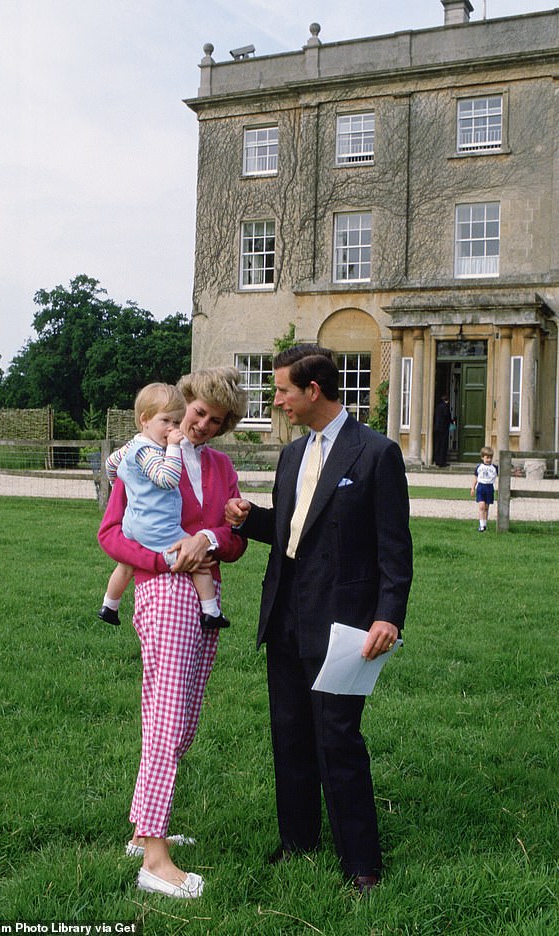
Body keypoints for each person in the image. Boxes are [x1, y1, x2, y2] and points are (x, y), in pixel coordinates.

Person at [225, 345, 413, 894]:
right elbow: (294, 533)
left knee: (337, 738)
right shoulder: (291, 455)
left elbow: (394, 549)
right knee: (289, 733)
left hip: (345, 623)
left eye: (282, 390)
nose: (276, 399)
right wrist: (249, 519)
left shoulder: (376, 454)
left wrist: (389, 616)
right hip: (284, 612)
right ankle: (298, 840)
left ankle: (362, 864)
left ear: (313, 391)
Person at [98, 367, 247, 899]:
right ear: (183, 403)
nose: (203, 423)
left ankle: (143, 831)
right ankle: (156, 859)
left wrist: (210, 534)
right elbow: (111, 533)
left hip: (207, 597)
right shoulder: (143, 454)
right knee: (165, 717)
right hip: (161, 593)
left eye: (217, 418)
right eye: (198, 411)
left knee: (182, 720)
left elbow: (233, 542)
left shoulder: (223, 467)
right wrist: (163, 562)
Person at [98, 383, 229, 631]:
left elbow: (110, 464)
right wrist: (173, 448)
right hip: (157, 527)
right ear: (144, 419)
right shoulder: (150, 452)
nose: (172, 428)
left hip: (134, 523)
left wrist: (125, 486)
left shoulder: (130, 446)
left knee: (124, 567)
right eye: (166, 421)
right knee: (199, 561)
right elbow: (168, 479)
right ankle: (211, 611)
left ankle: (109, 606)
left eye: (176, 422)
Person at [471, 445, 498, 532]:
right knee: (481, 506)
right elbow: (475, 477)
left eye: (490, 458)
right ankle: (481, 526)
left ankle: (484, 524)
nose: (489, 460)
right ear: (482, 457)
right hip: (481, 487)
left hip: (489, 487)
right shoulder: (479, 467)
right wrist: (473, 488)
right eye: (487, 457)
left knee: (486, 507)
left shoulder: (494, 468)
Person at [433, 394, 454, 467]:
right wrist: (452, 421)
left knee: (437, 444)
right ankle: (442, 462)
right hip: (443, 428)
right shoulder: (445, 407)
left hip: (437, 428)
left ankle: (437, 460)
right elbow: (447, 417)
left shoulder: (438, 407)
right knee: (443, 445)